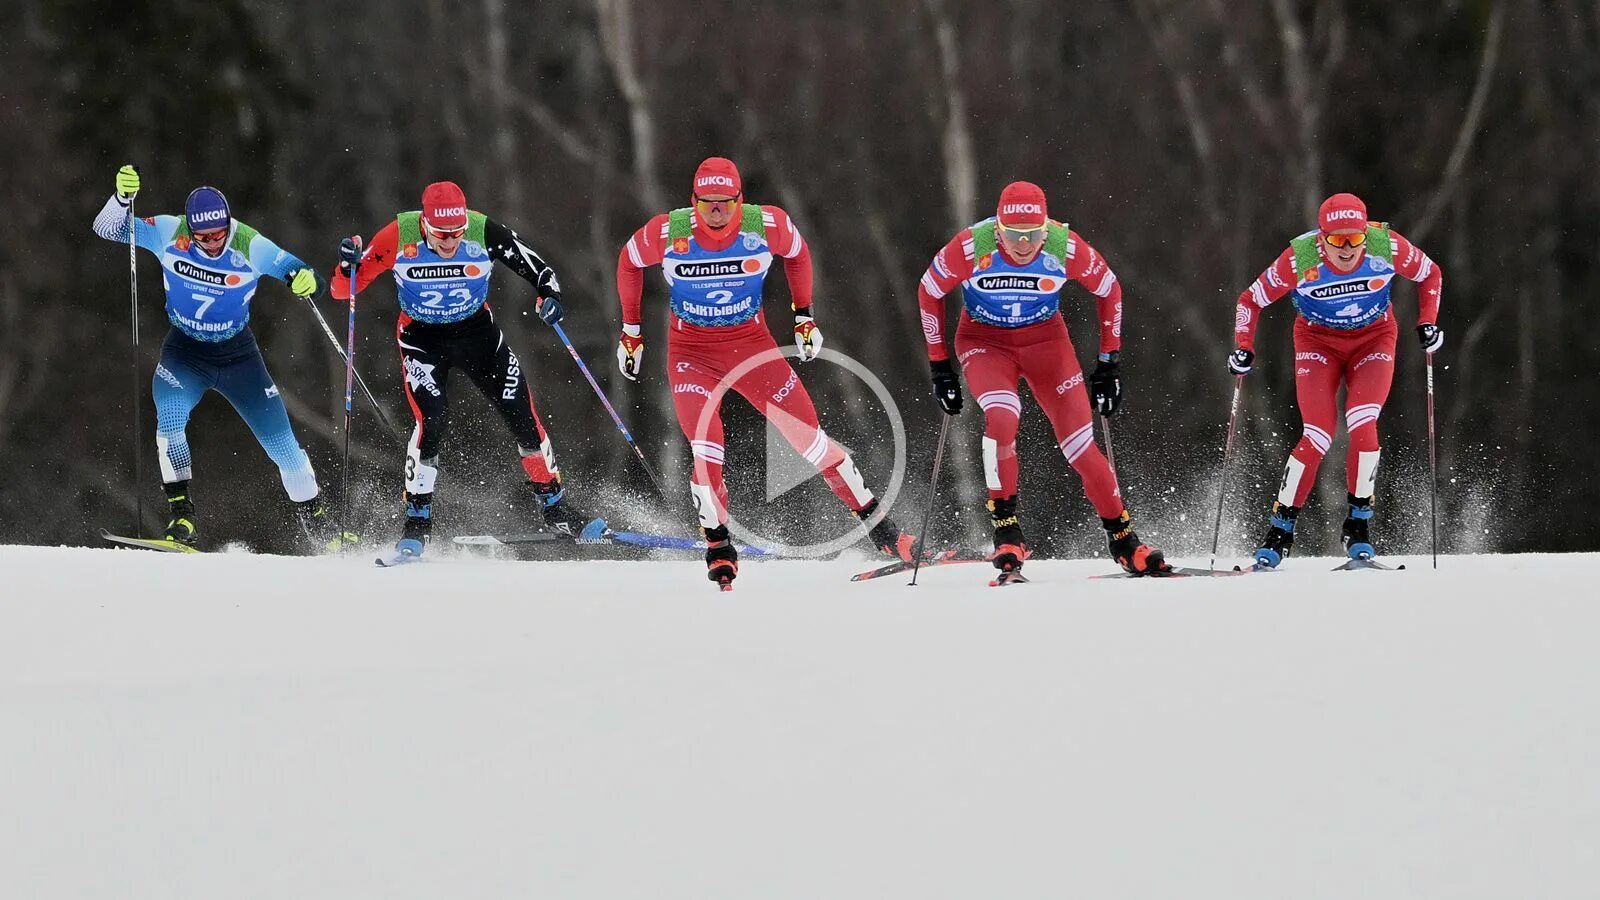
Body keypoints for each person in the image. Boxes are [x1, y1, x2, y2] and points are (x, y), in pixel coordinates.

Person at [614, 156, 914, 588]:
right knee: (706, 444)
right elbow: (627, 262)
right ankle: (718, 546)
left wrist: (805, 317)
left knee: (808, 440)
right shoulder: (669, 231)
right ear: (692, 201)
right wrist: (631, 331)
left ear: (741, 200)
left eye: (726, 203)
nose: (716, 212)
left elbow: (798, 254)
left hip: (751, 346)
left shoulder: (766, 225)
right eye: (707, 203)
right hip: (691, 353)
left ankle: (883, 530)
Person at [331, 181, 598, 560]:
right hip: (422, 339)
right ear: (425, 223)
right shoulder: (399, 234)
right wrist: (346, 265)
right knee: (433, 420)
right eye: (441, 235)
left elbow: (539, 268)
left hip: (478, 335)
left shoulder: (482, 230)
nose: (450, 243)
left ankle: (556, 508)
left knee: (521, 412)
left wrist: (550, 295)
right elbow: (344, 290)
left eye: (456, 233)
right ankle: (416, 522)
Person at [91, 164, 353, 551]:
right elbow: (108, 229)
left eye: (219, 234)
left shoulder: (248, 244)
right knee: (170, 421)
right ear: (190, 229)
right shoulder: (169, 232)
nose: (213, 243)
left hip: (238, 358)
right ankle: (182, 519)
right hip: (185, 352)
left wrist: (305, 278)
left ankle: (324, 527)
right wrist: (121, 199)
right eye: (203, 237)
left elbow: (297, 269)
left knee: (284, 449)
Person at [916, 180, 1169, 578]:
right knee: (1002, 418)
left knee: (1081, 445)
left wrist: (1109, 364)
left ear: (1045, 228)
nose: (1022, 245)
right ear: (997, 227)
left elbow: (1110, 290)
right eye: (1012, 235)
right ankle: (1007, 532)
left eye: (1033, 235)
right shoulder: (971, 246)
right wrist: (939, 365)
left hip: (1046, 343)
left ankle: (1123, 540)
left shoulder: (1064, 247)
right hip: (984, 342)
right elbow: (929, 290)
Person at [1228, 192, 1444, 567]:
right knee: (1317, 434)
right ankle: (1279, 533)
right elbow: (1250, 300)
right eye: (1336, 240)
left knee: (1363, 423)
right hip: (1317, 342)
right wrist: (1243, 347)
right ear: (1321, 237)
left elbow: (1430, 274)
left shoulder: (1386, 245)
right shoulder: (1300, 258)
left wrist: (1427, 322)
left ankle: (1358, 528)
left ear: (1366, 233)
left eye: (1355, 239)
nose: (1346, 249)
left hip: (1374, 338)